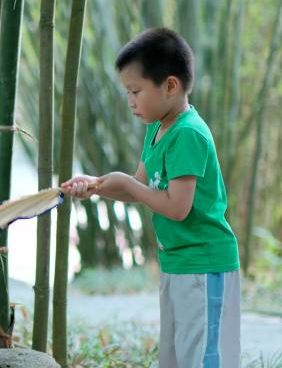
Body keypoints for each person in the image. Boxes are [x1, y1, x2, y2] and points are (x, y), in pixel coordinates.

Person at [62, 28, 240, 368]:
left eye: (135, 91)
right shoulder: (157, 128)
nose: (130, 101)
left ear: (170, 85)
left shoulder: (188, 133)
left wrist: (125, 185)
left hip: (205, 264)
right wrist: (96, 185)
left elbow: (176, 206)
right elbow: (141, 183)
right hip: (176, 263)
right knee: (175, 358)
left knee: (203, 359)